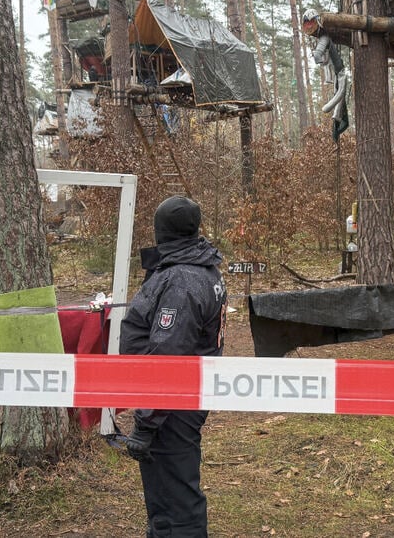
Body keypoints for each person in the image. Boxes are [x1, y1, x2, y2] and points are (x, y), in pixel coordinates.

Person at [120, 195, 227, 537]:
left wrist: (147, 423)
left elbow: (168, 358)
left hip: (172, 406)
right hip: (179, 401)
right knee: (167, 494)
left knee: (175, 499)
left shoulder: (182, 280)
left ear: (162, 231)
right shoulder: (198, 266)